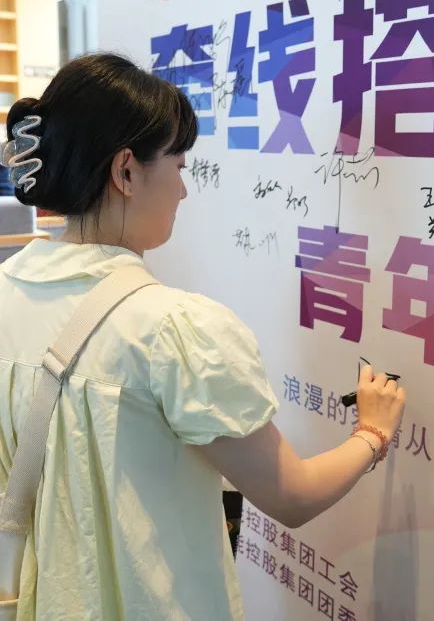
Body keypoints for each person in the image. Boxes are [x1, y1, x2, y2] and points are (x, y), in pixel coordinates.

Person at [0, 53, 405, 621]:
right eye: (179, 164)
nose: (184, 190)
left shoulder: (9, 289)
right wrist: (373, 431)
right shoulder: (173, 329)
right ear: (126, 172)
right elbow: (292, 495)